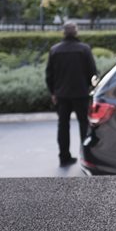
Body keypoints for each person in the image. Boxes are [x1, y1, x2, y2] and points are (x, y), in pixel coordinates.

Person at [45, 21, 98, 166]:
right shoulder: (84, 49)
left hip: (62, 95)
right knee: (84, 125)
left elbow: (49, 75)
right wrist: (90, 89)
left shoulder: (55, 50)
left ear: (63, 33)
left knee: (63, 126)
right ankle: (86, 156)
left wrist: (53, 92)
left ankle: (64, 156)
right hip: (81, 93)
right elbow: (92, 73)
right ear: (76, 32)